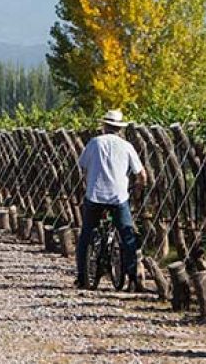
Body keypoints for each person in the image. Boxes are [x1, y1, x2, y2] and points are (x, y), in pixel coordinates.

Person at [75, 110, 147, 292]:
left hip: (94, 195)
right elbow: (141, 174)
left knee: (86, 234)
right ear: (120, 129)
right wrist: (138, 191)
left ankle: (82, 277)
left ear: (105, 126)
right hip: (118, 196)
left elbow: (82, 166)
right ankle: (132, 279)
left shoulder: (94, 143)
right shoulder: (127, 146)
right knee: (127, 235)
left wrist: (87, 182)